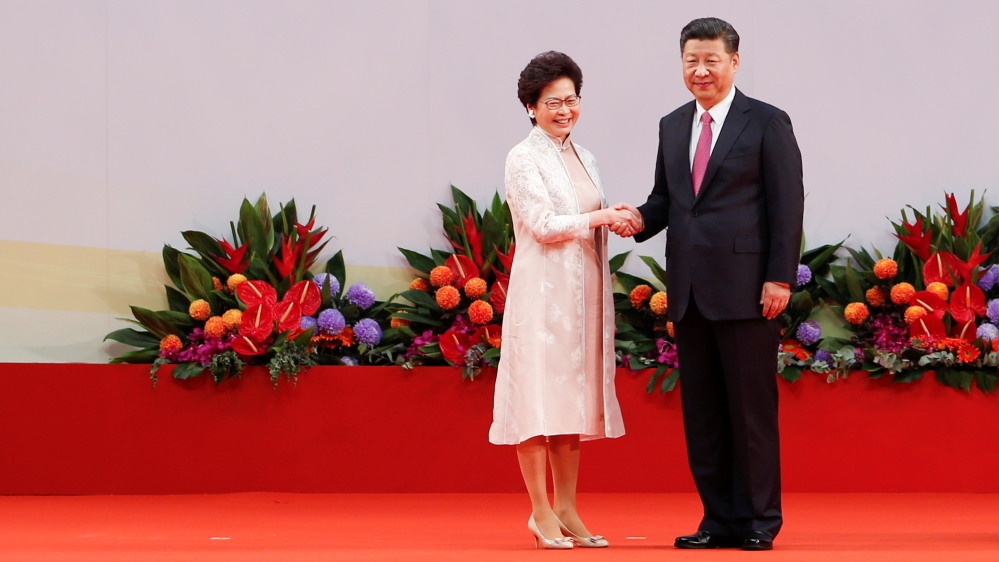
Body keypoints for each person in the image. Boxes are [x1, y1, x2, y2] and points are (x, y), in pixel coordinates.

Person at [612, 18, 804, 551]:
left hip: (749, 292)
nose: (700, 70)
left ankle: (759, 521)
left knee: (750, 414)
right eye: (691, 61)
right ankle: (717, 520)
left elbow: (787, 208)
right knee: (704, 415)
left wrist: (779, 278)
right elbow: (667, 201)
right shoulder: (673, 125)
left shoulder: (766, 122)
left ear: (734, 62)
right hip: (691, 291)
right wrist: (637, 219)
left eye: (711, 60)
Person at [489, 51, 632, 550]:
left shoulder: (584, 155)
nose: (564, 110)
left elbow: (592, 216)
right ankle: (540, 511)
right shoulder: (522, 156)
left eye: (571, 100)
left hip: (582, 296)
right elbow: (544, 226)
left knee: (570, 401)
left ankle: (568, 506)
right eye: (553, 102)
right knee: (536, 400)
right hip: (541, 294)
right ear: (531, 106)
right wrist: (601, 217)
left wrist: (617, 218)